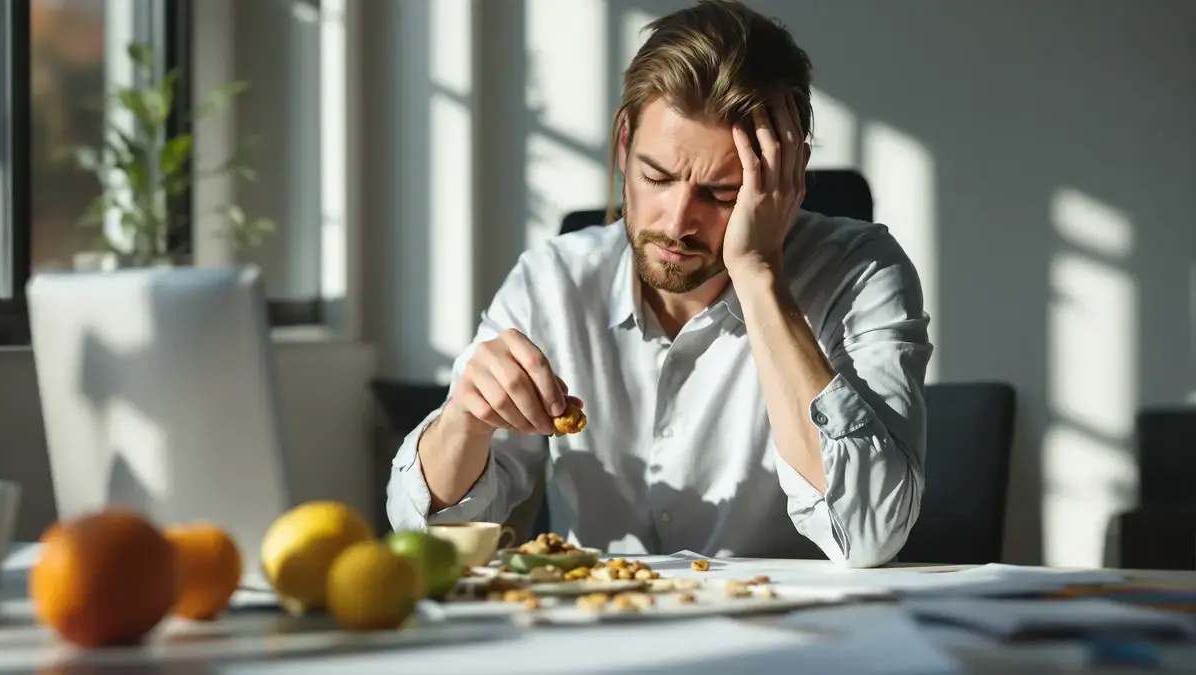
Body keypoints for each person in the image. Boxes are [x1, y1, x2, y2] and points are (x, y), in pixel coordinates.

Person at [387, 0, 932, 568]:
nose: (676, 223)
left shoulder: (862, 273)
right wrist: (464, 422)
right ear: (624, 144)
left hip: (786, 621)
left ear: (784, 178)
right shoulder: (552, 281)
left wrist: (759, 273)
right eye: (657, 176)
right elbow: (424, 534)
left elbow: (869, 532)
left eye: (721, 194)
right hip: (601, 616)